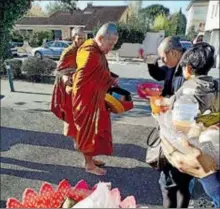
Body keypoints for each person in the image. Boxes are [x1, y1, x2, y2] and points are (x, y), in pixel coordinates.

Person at [159, 42, 219, 207]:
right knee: (185, 187)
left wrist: (162, 112)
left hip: (187, 150)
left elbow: (179, 127)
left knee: (168, 186)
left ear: (189, 69)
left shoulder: (188, 91)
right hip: (208, 151)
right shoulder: (214, 86)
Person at [146, 36, 193, 208]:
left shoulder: (185, 72)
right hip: (183, 134)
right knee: (182, 185)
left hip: (177, 134)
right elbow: (160, 73)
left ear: (173, 52)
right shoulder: (178, 65)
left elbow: (181, 105)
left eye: (163, 58)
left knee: (168, 185)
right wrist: (151, 63)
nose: (163, 61)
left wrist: (161, 111)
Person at [71, 22, 119, 176]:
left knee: (94, 131)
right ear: (100, 38)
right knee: (88, 131)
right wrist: (109, 81)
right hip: (85, 100)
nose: (111, 48)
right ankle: (88, 164)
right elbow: (82, 78)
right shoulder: (89, 52)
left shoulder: (97, 51)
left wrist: (110, 78)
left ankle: (90, 159)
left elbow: (100, 71)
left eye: (113, 44)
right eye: (110, 44)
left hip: (93, 98)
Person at [161, 138, 220, 208]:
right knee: (184, 188)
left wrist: (208, 177)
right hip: (193, 159)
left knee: (168, 188)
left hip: (181, 155)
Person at [50, 27, 86, 137]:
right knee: (72, 116)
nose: (82, 40)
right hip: (71, 89)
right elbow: (59, 71)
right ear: (73, 38)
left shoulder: (86, 51)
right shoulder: (68, 52)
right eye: (79, 38)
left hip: (84, 89)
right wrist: (66, 78)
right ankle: (76, 139)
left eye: (84, 38)